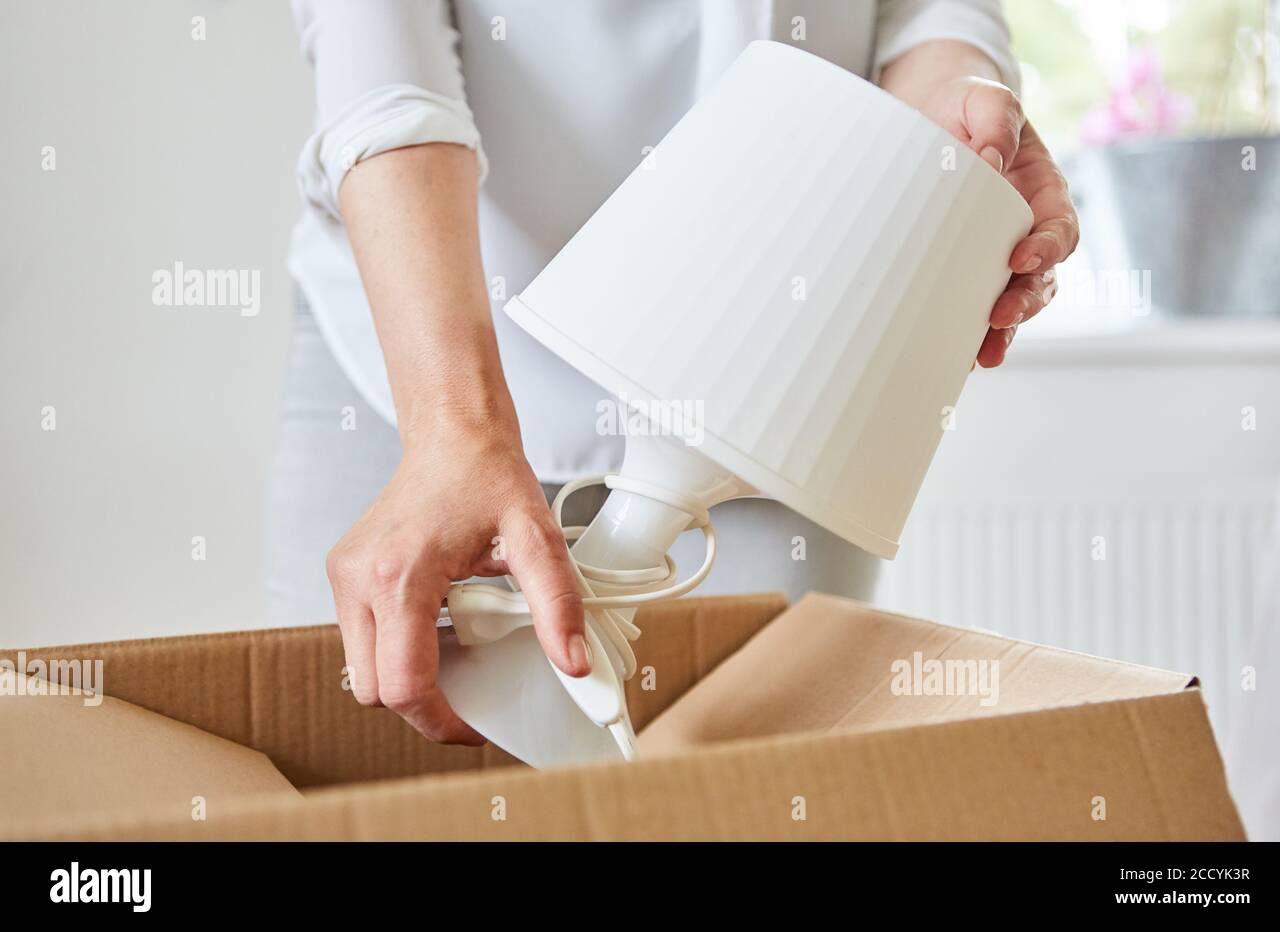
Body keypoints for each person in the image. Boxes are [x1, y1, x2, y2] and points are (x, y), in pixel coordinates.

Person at [268, 0, 1079, 745]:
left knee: (750, 791)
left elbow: (922, 14)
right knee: (349, 737)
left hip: (785, 364)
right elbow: (381, 70)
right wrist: (450, 424)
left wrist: (954, 109)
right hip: (421, 320)